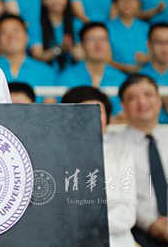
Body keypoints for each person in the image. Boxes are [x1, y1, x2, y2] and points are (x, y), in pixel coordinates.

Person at [108, 74, 168, 247]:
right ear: (123, 105)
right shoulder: (113, 148)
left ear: (159, 100)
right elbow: (117, 197)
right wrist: (151, 223)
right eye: (133, 97)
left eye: (148, 94)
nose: (142, 101)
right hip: (135, 230)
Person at [62, 86, 137, 247]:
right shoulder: (57, 157)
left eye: (98, 112)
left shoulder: (122, 156)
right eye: (84, 112)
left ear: (107, 118)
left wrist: (86, 225)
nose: (92, 119)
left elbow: (127, 213)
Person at [58, 22, 126, 115]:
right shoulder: (66, 77)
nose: (98, 45)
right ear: (82, 45)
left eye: (103, 39)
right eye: (92, 39)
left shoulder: (121, 79)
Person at [0, 14, 56, 91]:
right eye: (4, 32)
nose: (11, 36)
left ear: (27, 36)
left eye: (16, 30)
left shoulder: (45, 72)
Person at [30, 0, 82, 71]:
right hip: (44, 73)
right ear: (43, 0)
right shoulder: (36, 24)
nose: (56, 0)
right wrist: (60, 49)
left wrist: (71, 49)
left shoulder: (77, 24)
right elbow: (37, 56)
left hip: (73, 73)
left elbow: (82, 56)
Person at [107, 0, 149, 73]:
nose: (127, 3)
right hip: (114, 76)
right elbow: (104, 59)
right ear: (115, 3)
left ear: (139, 2)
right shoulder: (106, 29)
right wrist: (126, 68)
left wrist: (147, 58)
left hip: (143, 75)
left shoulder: (147, 28)